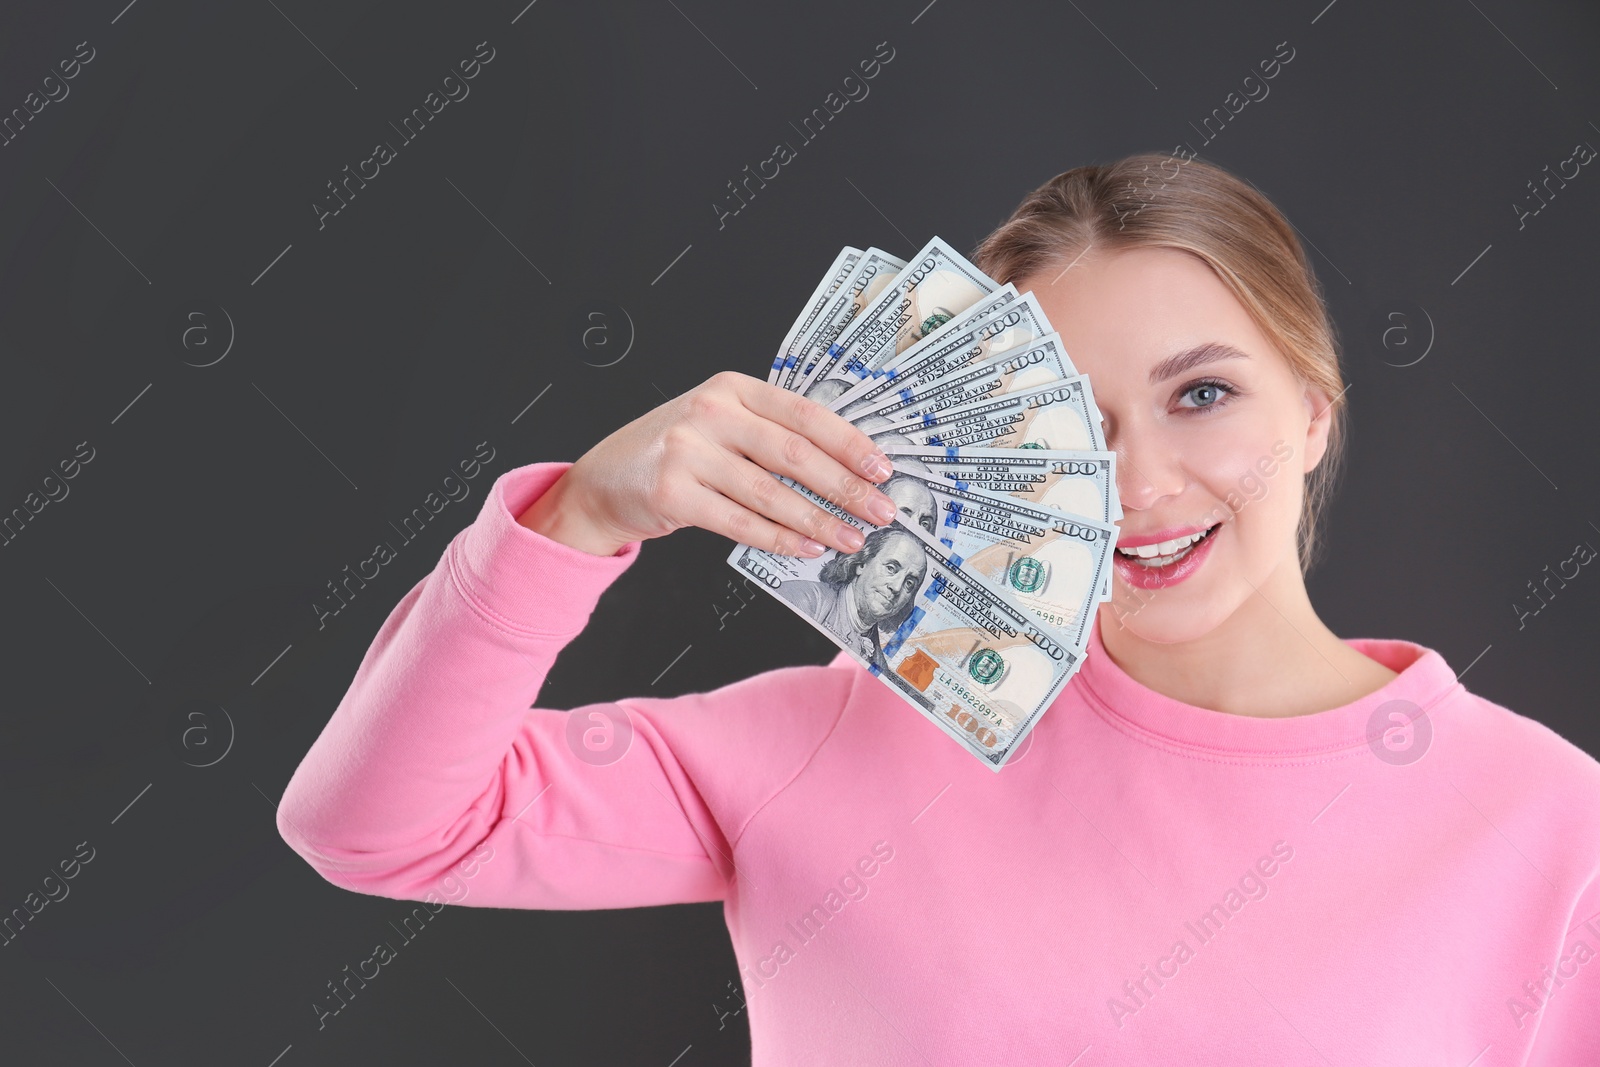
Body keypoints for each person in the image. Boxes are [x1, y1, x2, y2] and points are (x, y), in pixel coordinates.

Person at [276, 153, 1600, 1064]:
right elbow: (376, 826)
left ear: (1313, 407)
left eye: (1203, 394)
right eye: (1069, 420)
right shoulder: (843, 737)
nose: (1137, 482)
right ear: (988, 434)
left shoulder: (1546, 826)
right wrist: (578, 518)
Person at [774, 524, 927, 673]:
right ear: (862, 563)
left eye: (909, 583)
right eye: (891, 568)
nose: (897, 587)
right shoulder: (803, 598)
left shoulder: (880, 667)